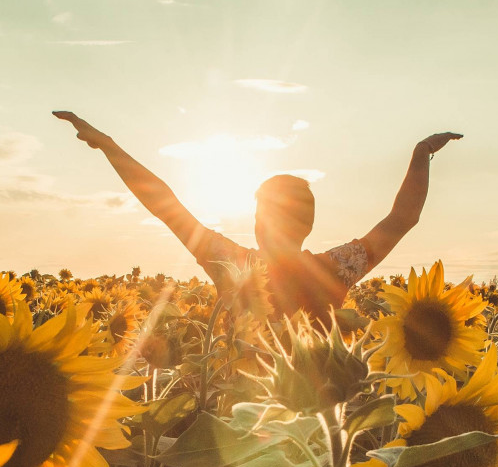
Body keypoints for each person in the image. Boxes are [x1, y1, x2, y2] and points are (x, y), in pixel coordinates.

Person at [53, 110, 460, 320]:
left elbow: (165, 206)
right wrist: (422, 152)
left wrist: (109, 147)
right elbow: (401, 218)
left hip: (240, 430)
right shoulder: (334, 269)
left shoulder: (233, 263)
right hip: (309, 433)